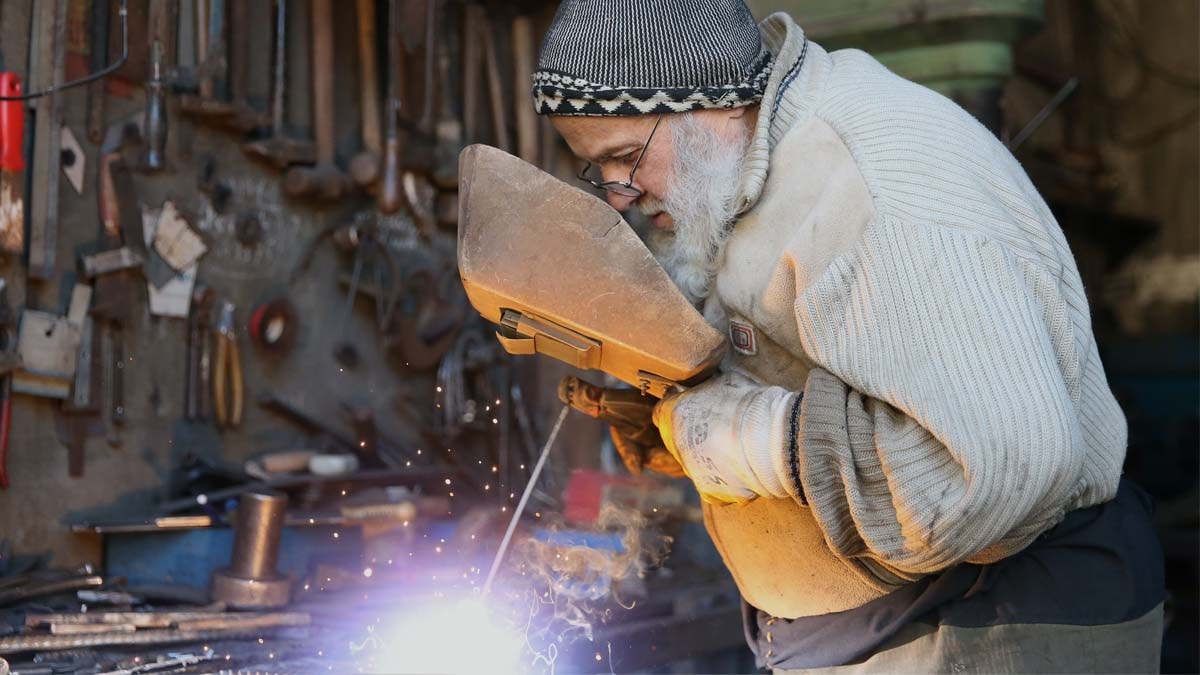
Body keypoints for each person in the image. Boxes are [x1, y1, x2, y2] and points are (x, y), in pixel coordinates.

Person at [532, 1, 1166, 672]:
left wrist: (751, 440)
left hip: (984, 625)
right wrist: (688, 421)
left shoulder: (876, 186)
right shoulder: (742, 164)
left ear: (712, 101)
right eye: (597, 168)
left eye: (627, 157)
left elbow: (996, 466)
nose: (619, 194)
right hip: (871, 630)